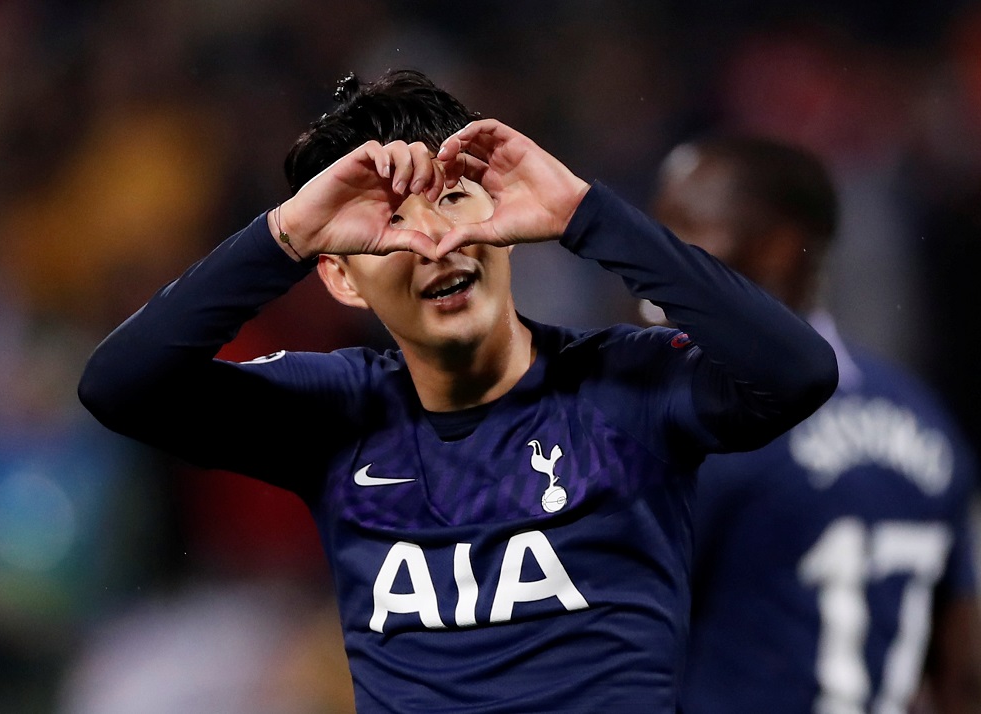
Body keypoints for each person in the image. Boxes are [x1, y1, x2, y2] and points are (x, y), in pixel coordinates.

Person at [78, 69, 838, 713]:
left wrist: (585, 215)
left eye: (451, 200)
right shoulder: (334, 411)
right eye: (389, 223)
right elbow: (119, 387)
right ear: (341, 276)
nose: (433, 242)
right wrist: (284, 237)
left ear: (502, 217)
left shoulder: (625, 385)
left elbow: (797, 371)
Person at [647, 135, 981, 713]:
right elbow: (964, 673)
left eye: (684, 227)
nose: (651, 255)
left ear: (779, 248)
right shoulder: (926, 419)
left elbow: (610, 642)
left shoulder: (717, 424)